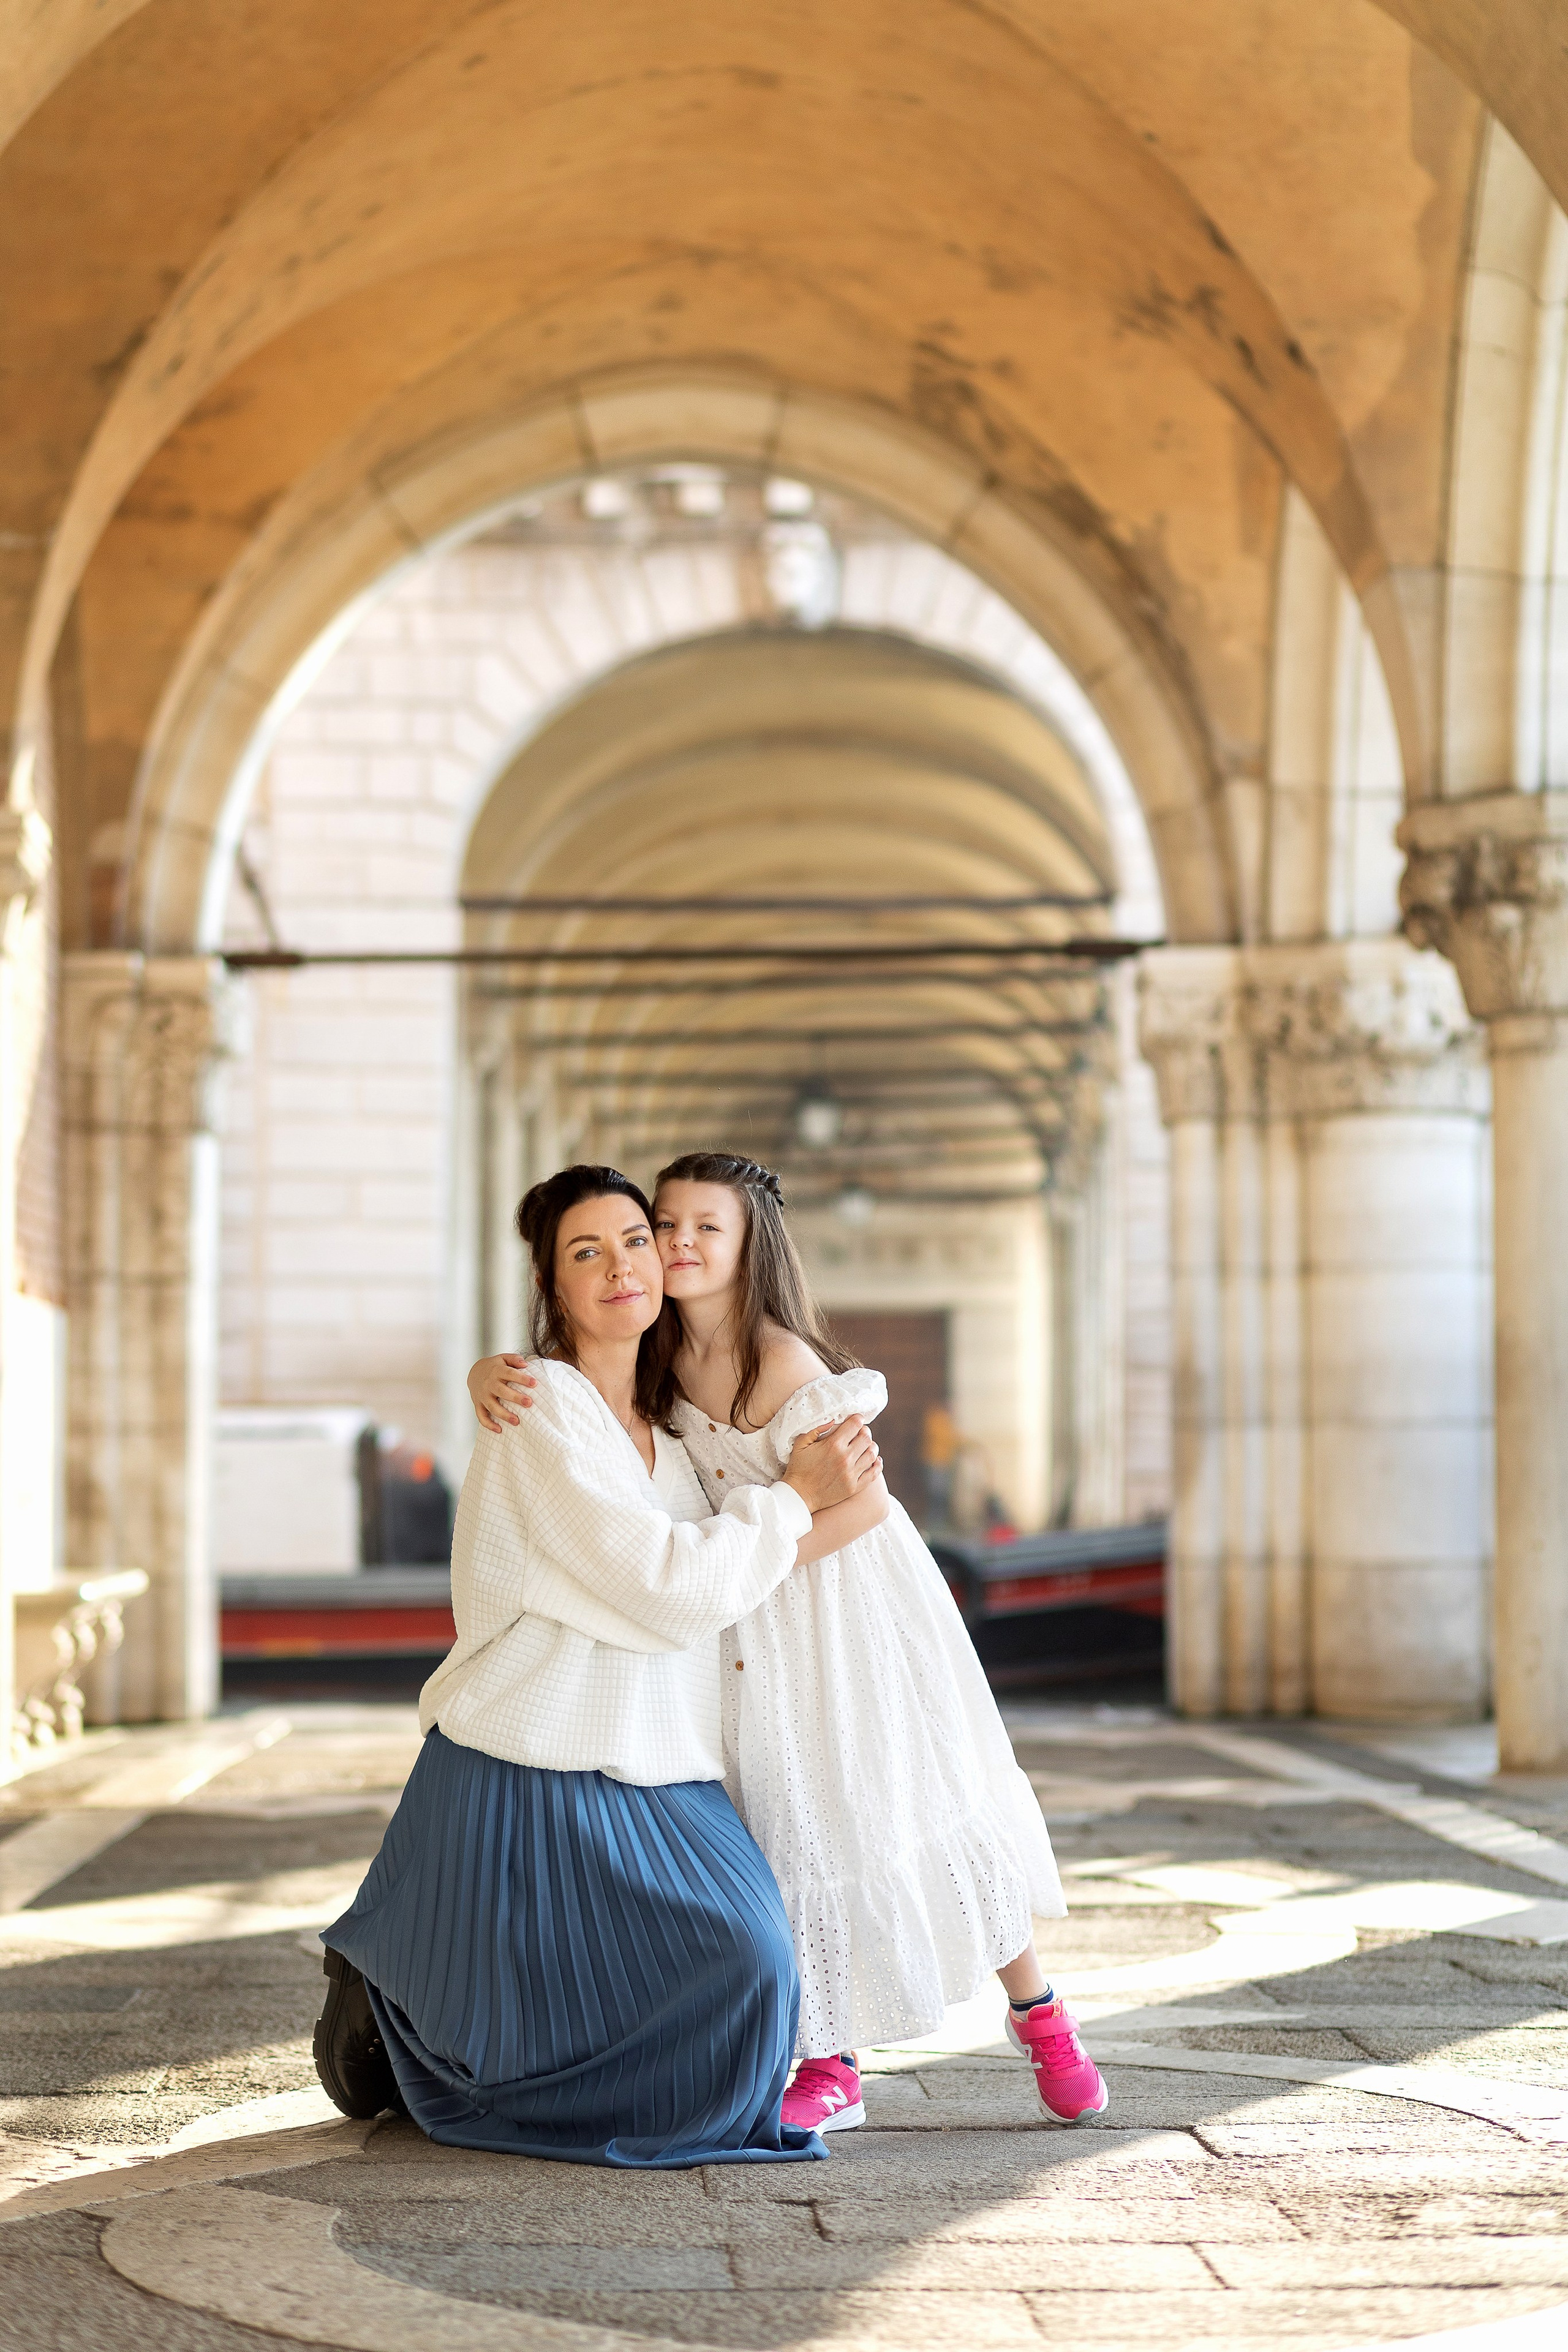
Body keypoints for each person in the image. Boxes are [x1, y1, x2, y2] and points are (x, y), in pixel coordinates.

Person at [469, 1151, 1109, 2136]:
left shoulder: (784, 1362)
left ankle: (1040, 2012)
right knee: (785, 1816)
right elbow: (579, 1398)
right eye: (664, 1224)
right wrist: (487, 1371)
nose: (678, 1244)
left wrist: (765, 1542)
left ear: (748, 1245)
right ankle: (828, 2055)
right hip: (744, 1617)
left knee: (916, 1799)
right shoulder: (656, 1353)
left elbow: (867, 1507)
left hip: (844, 1613)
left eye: (703, 1228)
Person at [316, 1162, 883, 2168]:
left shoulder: (671, 1430)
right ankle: (400, 1996)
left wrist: (806, 1499)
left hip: (663, 1759)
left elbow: (731, 1569)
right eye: (587, 1252)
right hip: (529, 1755)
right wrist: (796, 1494)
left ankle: (419, 1978)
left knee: (754, 1975)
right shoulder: (537, 1404)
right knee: (603, 2025)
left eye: (635, 1240)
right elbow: (669, 1585)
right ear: (555, 1288)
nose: (621, 1264)